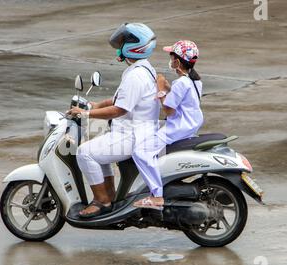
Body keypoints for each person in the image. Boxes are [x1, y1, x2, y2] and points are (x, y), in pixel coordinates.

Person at [67, 23, 160, 218]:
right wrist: (96, 105)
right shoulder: (143, 69)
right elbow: (121, 99)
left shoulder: (136, 75)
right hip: (135, 132)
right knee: (97, 152)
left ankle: (102, 201)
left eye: (124, 41)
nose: (120, 45)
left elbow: (119, 109)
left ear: (134, 47)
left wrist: (86, 114)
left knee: (84, 153)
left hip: (132, 136)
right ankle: (108, 196)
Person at [132, 40, 203, 209]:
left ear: (177, 62)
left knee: (140, 152)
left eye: (172, 57)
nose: (170, 60)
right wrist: (166, 87)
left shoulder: (181, 83)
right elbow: (181, 98)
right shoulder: (194, 81)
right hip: (191, 125)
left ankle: (157, 196)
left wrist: (159, 89)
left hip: (178, 127)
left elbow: (169, 110)